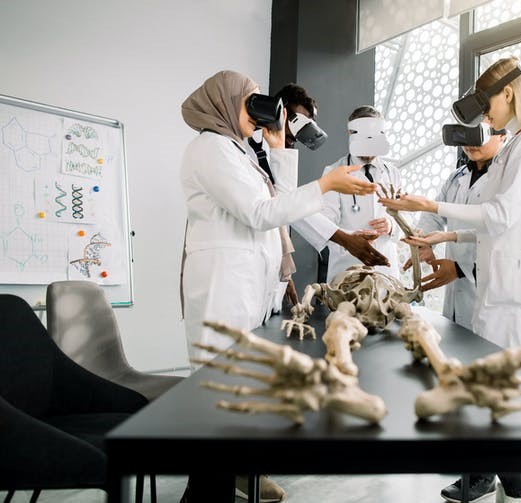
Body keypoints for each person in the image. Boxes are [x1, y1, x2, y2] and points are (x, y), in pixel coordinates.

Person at [178, 70, 375, 502]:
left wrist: (281, 146)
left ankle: (230, 481)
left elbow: (278, 209)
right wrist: (325, 184)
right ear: (224, 103)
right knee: (220, 405)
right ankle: (207, 492)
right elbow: (258, 213)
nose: (256, 109)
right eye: (248, 101)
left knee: (238, 402)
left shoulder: (239, 151)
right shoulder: (211, 148)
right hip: (222, 289)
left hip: (249, 287)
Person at [380, 56, 521, 503]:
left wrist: (433, 206)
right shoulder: (516, 143)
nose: (485, 116)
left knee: (498, 401)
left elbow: (502, 215)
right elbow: (491, 219)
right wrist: (446, 234)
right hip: (497, 283)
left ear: (509, 93)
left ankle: (520, 494)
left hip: (517, 288)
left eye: (488, 103)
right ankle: (516, 492)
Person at [247, 84, 390, 301]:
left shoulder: (281, 153)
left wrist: (284, 271)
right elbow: (283, 208)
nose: (296, 134)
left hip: (272, 263)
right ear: (279, 112)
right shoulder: (250, 151)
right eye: (296, 121)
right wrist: (345, 238)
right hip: (247, 263)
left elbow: (286, 209)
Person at [410, 124, 506, 330]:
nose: (469, 143)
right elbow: (434, 213)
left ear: (502, 136)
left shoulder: (506, 179)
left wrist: (461, 270)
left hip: (490, 292)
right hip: (454, 290)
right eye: (464, 135)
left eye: (478, 134)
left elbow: (504, 234)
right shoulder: (456, 177)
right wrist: (424, 242)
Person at [321, 105, 401, 281]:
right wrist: (349, 238)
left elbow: (406, 217)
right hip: (347, 267)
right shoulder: (333, 172)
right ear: (352, 134)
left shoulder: (392, 173)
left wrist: (391, 225)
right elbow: (324, 223)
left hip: (386, 271)